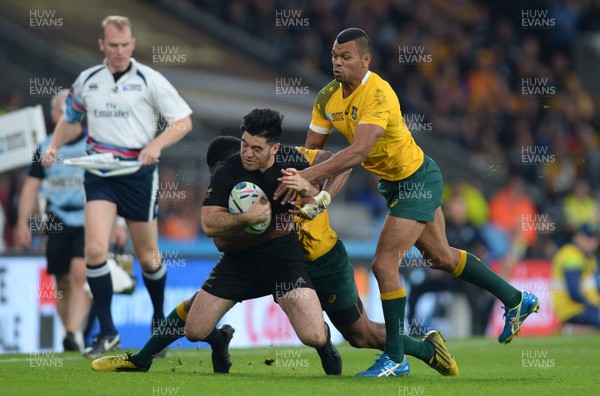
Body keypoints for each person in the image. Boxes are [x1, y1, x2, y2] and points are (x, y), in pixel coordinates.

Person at [278, 28, 539, 377]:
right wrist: (294, 178)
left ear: (366, 59)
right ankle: (517, 299)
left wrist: (312, 183)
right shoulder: (327, 97)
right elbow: (312, 151)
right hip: (395, 184)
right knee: (441, 256)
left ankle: (396, 358)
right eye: (334, 57)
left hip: (415, 181)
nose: (337, 63)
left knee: (384, 265)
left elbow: (357, 152)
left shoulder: (379, 94)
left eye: (346, 57)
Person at [91, 130, 457, 376]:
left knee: (360, 336)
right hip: (266, 261)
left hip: (322, 259)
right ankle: (165, 352)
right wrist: (252, 224)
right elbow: (221, 242)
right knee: (198, 312)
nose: (225, 181)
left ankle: (426, 349)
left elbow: (339, 159)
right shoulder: (229, 198)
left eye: (226, 171)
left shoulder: (285, 163)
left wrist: (321, 196)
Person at [93, 108, 342, 374]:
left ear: (274, 148)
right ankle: (214, 340)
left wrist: (315, 193)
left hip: (284, 261)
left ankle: (325, 344)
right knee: (195, 330)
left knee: (312, 335)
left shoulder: (291, 158)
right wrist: (248, 218)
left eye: (256, 148)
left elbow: (337, 164)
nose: (247, 152)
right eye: (244, 144)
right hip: (239, 264)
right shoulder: (228, 170)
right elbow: (210, 225)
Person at [41, 15, 193, 358]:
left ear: (133, 45)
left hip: (138, 175)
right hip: (99, 174)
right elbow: (70, 116)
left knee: (149, 258)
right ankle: (107, 332)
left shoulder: (150, 79)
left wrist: (155, 146)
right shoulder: (88, 80)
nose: (120, 51)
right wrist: (54, 146)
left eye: (125, 45)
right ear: (102, 46)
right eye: (113, 46)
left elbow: (183, 121)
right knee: (95, 251)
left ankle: (159, 323)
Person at [15, 90, 91, 351]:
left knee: (81, 274)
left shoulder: (93, 145)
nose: (68, 118)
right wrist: (24, 222)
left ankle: (72, 331)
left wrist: (117, 224)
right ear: (53, 116)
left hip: (88, 219)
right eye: (62, 113)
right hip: (57, 220)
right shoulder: (45, 147)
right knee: (63, 281)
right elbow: (30, 187)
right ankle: (70, 334)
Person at [552, 223, 600, 331]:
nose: (591, 242)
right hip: (573, 309)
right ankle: (572, 328)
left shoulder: (588, 256)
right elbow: (574, 292)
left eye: (593, 238)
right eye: (587, 237)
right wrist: (594, 306)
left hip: (584, 308)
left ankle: (575, 329)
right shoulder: (571, 255)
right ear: (576, 237)